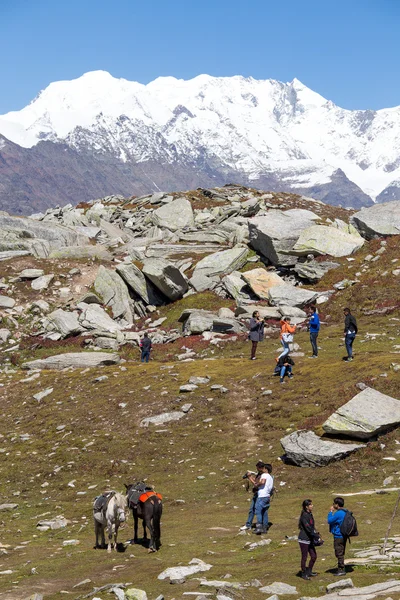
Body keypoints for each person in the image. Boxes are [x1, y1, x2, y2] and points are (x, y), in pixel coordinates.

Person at [247, 463, 274, 534]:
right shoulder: (271, 477)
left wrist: (257, 485)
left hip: (262, 496)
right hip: (267, 496)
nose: (262, 469)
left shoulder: (264, 475)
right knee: (264, 512)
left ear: (266, 469)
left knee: (258, 511)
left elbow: (262, 482)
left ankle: (259, 527)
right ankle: (265, 528)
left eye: (264, 468)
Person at [239, 461, 265, 531]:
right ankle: (249, 524)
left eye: (257, 468)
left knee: (258, 510)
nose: (256, 470)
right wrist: (251, 477)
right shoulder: (259, 474)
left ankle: (260, 525)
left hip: (260, 495)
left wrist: (250, 477)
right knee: (252, 510)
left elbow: (256, 484)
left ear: (260, 468)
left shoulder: (263, 475)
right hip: (256, 494)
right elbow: (256, 481)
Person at [298, 499, 318, 580]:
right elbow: (308, 528)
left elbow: (312, 527)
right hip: (304, 539)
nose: (312, 506)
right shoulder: (304, 516)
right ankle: (303, 573)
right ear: (306, 507)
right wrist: (316, 536)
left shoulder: (310, 514)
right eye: (310, 505)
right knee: (304, 557)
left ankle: (309, 571)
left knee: (314, 556)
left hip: (310, 539)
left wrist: (316, 534)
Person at [327, 496, 347, 576]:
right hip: (344, 535)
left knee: (339, 552)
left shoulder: (338, 513)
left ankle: (341, 569)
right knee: (341, 551)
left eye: (334, 504)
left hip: (338, 535)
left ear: (337, 504)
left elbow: (329, 521)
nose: (333, 505)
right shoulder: (345, 512)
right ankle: (341, 567)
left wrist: (330, 512)